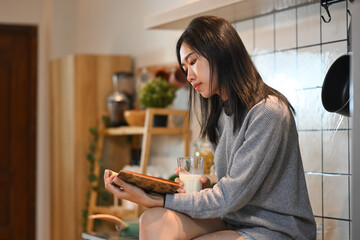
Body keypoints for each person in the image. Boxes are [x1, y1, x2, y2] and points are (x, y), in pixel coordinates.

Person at [104, 16, 316, 240]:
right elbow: (236, 188)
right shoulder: (222, 114)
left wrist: (159, 199)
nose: (189, 76)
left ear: (220, 52)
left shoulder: (267, 112)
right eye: (185, 68)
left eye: (193, 62)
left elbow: (232, 196)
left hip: (276, 229)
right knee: (153, 221)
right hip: (235, 218)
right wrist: (208, 186)